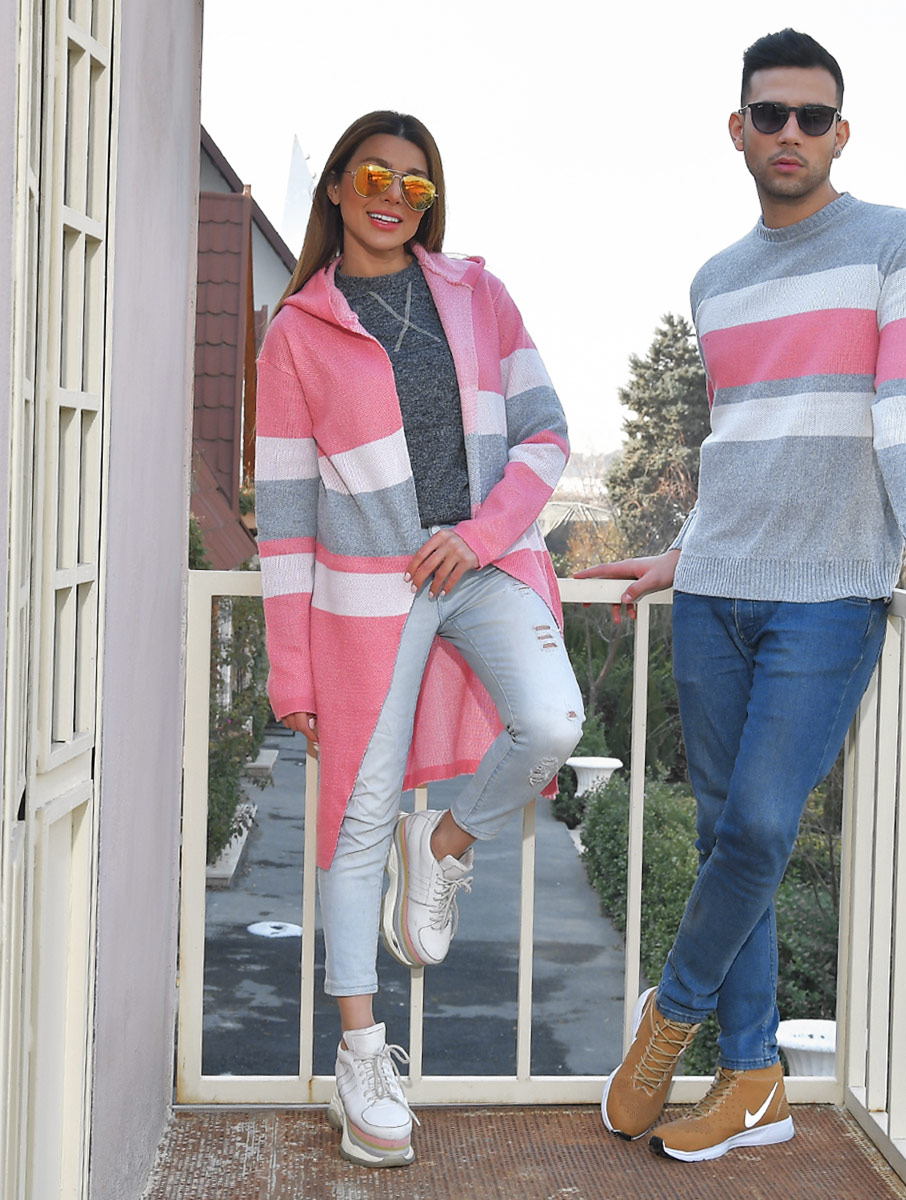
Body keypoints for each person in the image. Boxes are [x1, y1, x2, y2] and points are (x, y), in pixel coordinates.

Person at [577, 29, 906, 1164]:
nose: (790, 133)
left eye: (812, 116)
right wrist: (680, 550)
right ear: (738, 129)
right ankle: (753, 1078)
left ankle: (670, 1017)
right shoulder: (714, 280)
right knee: (726, 837)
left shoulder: (903, 242)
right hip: (714, 589)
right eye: (771, 115)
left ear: (842, 133)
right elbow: (740, 441)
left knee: (759, 825)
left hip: (828, 596)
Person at [255, 110, 583, 1169]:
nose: (394, 196)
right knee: (356, 816)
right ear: (338, 188)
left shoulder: (479, 295)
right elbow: (285, 515)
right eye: (374, 176)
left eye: (416, 183)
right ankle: (362, 1056)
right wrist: (292, 669)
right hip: (367, 596)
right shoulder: (297, 331)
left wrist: (482, 534)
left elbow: (547, 433)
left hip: (483, 565)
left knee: (551, 723)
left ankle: (443, 843)